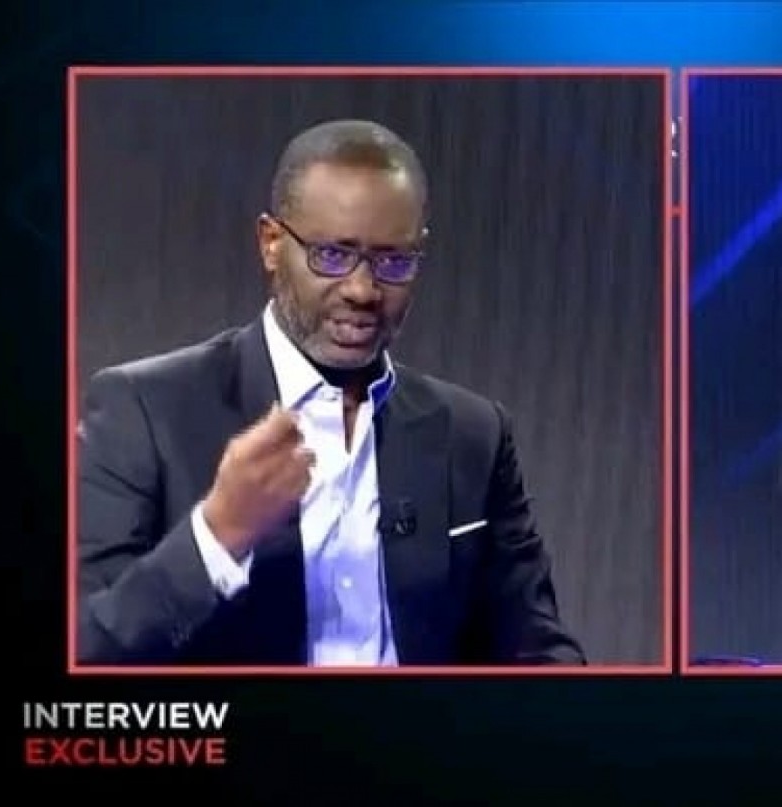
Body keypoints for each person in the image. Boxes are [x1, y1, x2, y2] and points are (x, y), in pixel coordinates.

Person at [76, 119, 585, 666]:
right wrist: (218, 534)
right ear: (272, 244)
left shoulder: (473, 434)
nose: (363, 290)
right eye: (333, 256)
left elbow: (536, 647)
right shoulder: (143, 410)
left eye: (393, 262)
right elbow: (87, 646)